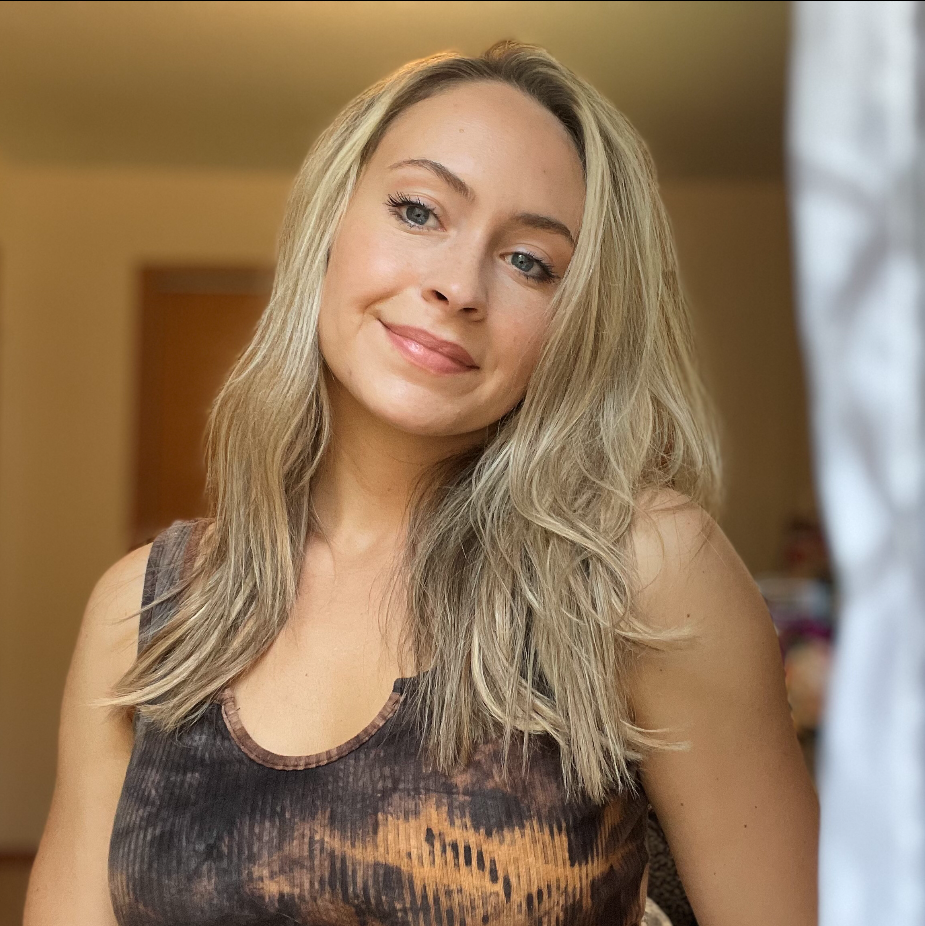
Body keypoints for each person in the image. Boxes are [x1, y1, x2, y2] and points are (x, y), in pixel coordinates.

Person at [24, 41, 819, 926]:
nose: (457, 286)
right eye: (417, 210)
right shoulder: (140, 612)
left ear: (580, 322)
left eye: (529, 262)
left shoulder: (639, 571)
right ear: (330, 225)